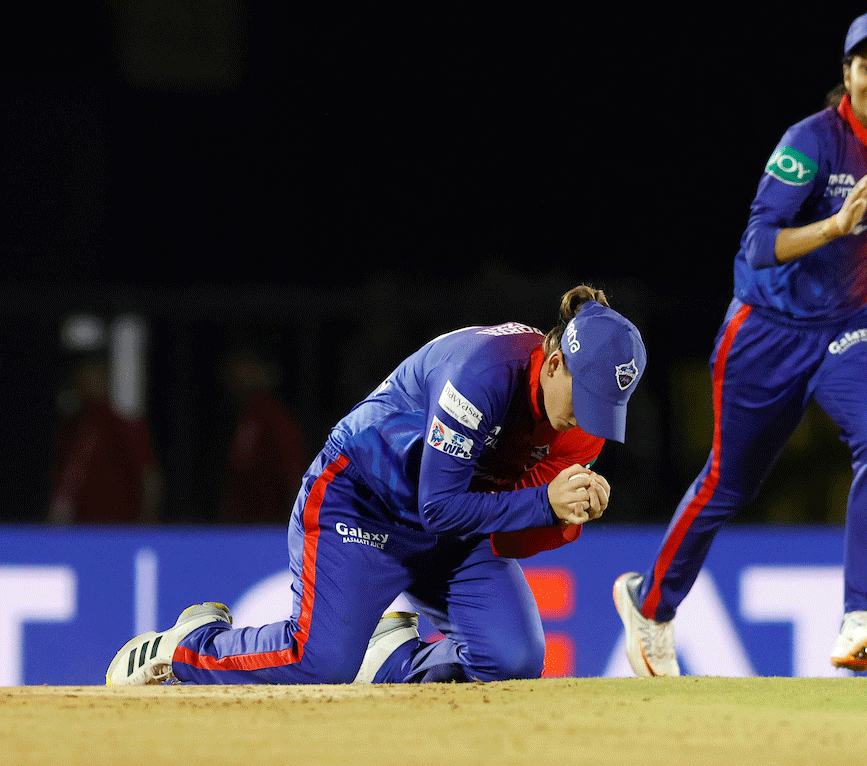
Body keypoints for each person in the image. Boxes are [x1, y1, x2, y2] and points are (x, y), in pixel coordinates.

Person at [613, 9, 867, 676]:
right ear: (847, 73)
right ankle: (650, 603)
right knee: (729, 483)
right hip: (766, 333)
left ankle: (864, 612)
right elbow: (756, 247)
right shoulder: (808, 142)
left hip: (848, 329)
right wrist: (834, 226)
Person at [106, 285, 646, 685]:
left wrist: (561, 515)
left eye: (607, 407)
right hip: (361, 502)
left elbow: (508, 534)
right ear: (554, 364)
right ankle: (186, 649)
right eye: (588, 398)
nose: (590, 420)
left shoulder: (580, 427)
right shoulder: (481, 373)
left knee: (514, 664)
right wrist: (544, 501)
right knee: (319, 664)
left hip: (453, 522)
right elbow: (439, 507)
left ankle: (389, 659)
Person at [49, 356, 162, 524]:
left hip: (119, 527)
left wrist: (147, 519)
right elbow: (67, 479)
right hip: (80, 528)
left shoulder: (125, 426)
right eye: (84, 379)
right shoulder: (71, 429)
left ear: (106, 380)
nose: (90, 385)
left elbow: (149, 476)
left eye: (95, 378)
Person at [216, 347, 310, 524]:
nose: (239, 374)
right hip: (241, 528)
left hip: (269, 527)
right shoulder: (246, 415)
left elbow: (295, 475)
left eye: (247, 365)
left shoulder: (275, 417)